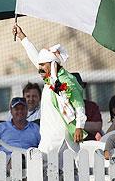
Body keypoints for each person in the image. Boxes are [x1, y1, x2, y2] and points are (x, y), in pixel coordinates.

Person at [12, 24, 87, 157]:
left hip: (61, 136)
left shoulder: (66, 81)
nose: (39, 68)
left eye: (42, 65)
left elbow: (79, 104)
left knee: (70, 170)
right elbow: (35, 58)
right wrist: (22, 37)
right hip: (49, 134)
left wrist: (79, 127)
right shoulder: (49, 78)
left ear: (53, 64)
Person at [71, 73, 103, 141]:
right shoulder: (60, 106)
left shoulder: (92, 106)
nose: (77, 90)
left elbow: (97, 126)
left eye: (79, 86)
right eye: (74, 87)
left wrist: (72, 124)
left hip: (89, 144)